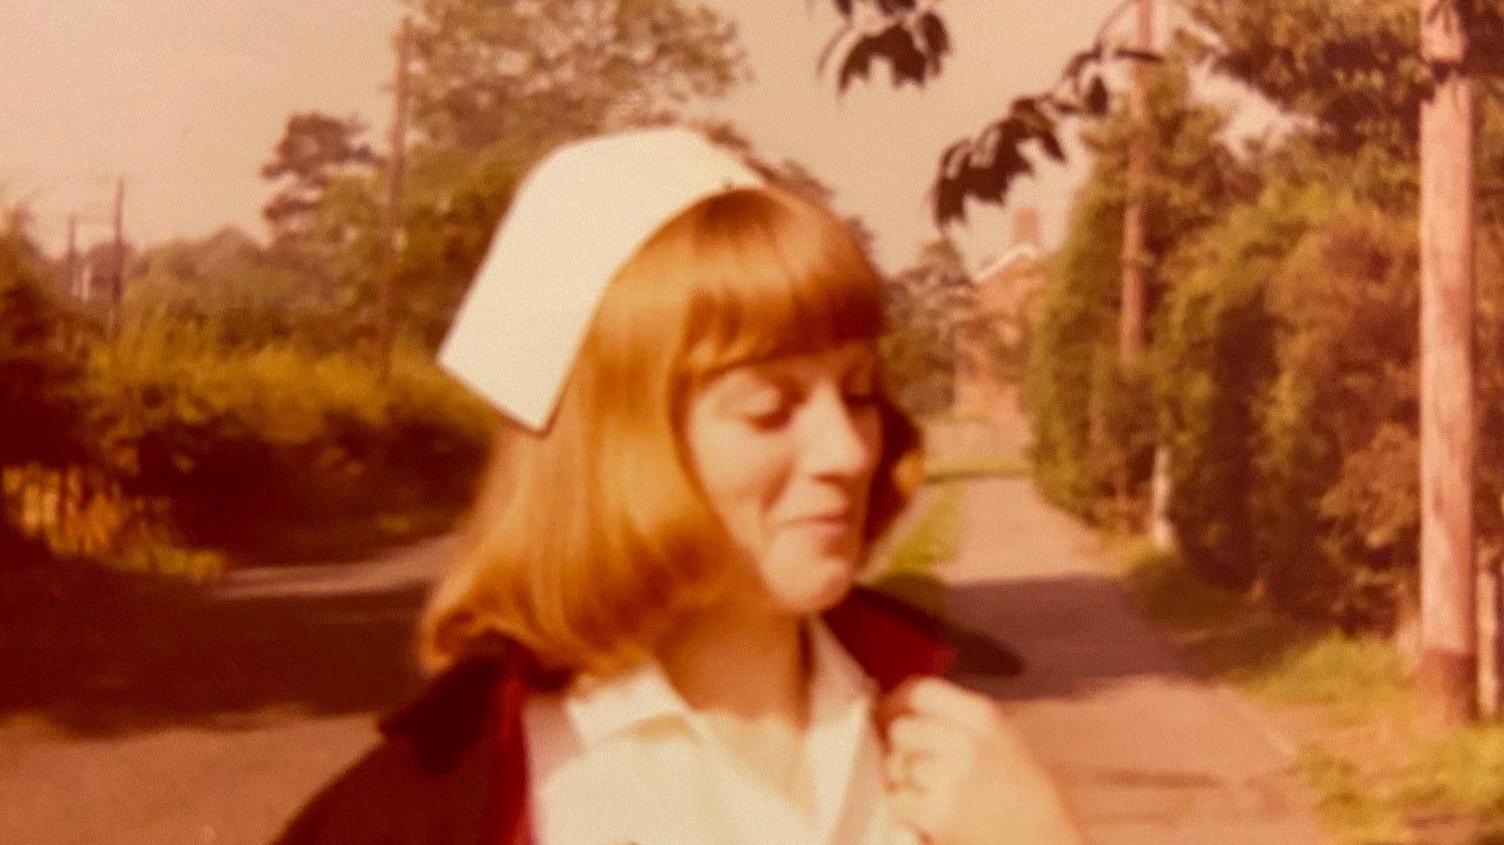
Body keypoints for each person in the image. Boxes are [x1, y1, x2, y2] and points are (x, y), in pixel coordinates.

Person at [275, 127, 1082, 845]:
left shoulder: (945, 749)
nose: (847, 449)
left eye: (858, 390)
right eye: (772, 408)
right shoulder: (445, 807)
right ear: (620, 446)